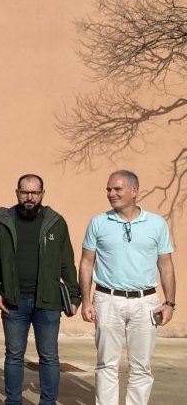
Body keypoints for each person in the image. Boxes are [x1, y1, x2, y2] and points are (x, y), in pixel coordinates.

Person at [79, 169, 175, 405]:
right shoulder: (98, 222)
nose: (111, 193)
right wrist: (87, 300)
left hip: (146, 303)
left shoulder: (156, 223)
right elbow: (86, 262)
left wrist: (170, 302)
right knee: (106, 365)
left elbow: (166, 265)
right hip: (107, 300)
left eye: (117, 189)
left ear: (134, 191)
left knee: (141, 367)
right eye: (109, 189)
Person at [0, 173, 80, 405]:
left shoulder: (56, 221)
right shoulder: (2, 221)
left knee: (49, 357)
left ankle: (47, 402)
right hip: (13, 301)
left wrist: (75, 295)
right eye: (25, 192)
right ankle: (13, 402)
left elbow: (67, 261)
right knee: (14, 356)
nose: (29, 197)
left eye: (34, 192)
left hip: (48, 301)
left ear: (42, 194)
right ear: (17, 193)